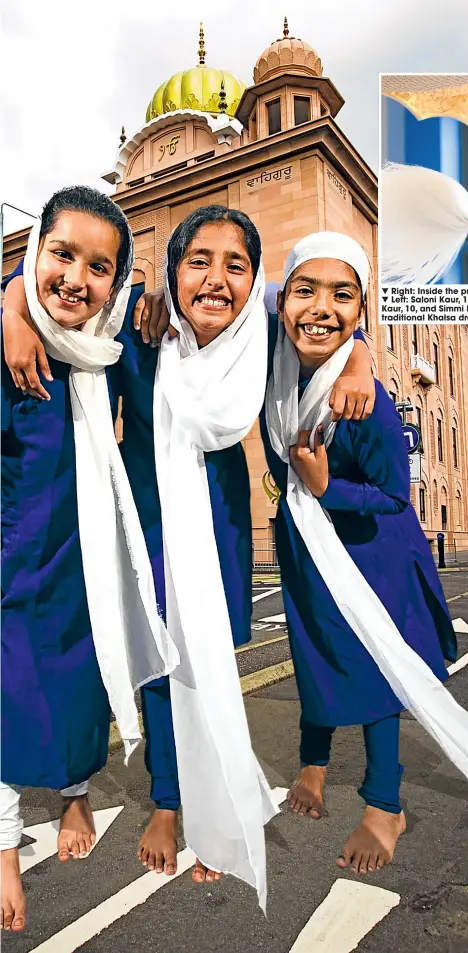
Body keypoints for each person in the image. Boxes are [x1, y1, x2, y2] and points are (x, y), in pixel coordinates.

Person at [2, 209, 376, 895]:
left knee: (207, 670)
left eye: (236, 264)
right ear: (171, 269)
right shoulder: (140, 334)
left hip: (220, 522)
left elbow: (320, 328)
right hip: (143, 521)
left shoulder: (262, 339)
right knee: (159, 671)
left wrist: (359, 355)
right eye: (197, 259)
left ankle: (210, 808)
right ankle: (171, 802)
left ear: (253, 277)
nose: (215, 278)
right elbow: (67, 322)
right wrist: (11, 306)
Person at [261, 231, 468, 876]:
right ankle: (313, 767)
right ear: (284, 298)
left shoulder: (365, 400)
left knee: (376, 666)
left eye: (342, 296)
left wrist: (327, 485)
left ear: (362, 310)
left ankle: (385, 803)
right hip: (307, 548)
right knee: (315, 659)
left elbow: (395, 497)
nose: (320, 308)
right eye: (305, 291)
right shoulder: (279, 362)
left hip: (370, 550)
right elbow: (223, 294)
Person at [0, 186, 177, 932]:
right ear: (34, 249)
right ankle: (5, 847)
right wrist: (9, 306)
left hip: (81, 561)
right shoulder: (12, 339)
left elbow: (245, 311)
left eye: (99, 266)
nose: (75, 277)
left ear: (119, 277)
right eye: (60, 253)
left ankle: (75, 792)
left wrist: (359, 347)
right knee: (7, 701)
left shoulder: (107, 347)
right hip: (10, 562)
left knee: (76, 697)